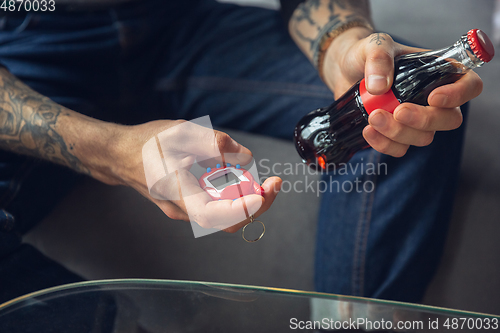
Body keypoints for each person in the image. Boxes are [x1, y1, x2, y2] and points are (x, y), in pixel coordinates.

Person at [0, 0, 482, 306]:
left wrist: (343, 43)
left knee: (408, 117)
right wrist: (112, 151)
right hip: (23, 45)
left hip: (183, 25)